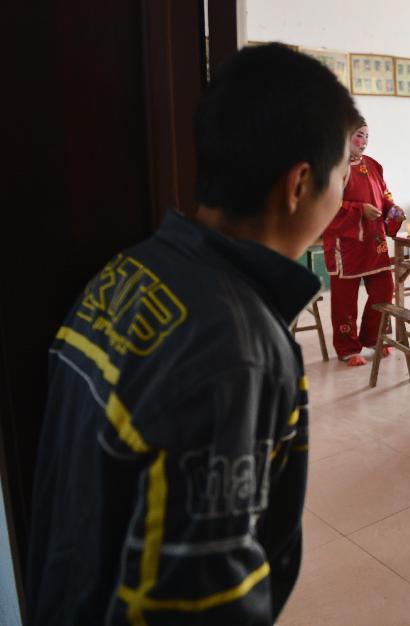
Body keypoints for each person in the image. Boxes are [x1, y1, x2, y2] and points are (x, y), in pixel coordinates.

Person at [25, 44, 359, 625]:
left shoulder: (130, 270)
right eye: (344, 169)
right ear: (299, 183)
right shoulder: (235, 353)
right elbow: (199, 603)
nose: (346, 186)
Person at [323, 118, 405, 366]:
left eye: (367, 136)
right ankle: (347, 347)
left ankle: (374, 338)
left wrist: (393, 210)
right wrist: (359, 210)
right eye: (359, 135)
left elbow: (385, 197)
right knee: (344, 301)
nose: (365, 141)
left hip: (374, 242)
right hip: (346, 247)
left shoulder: (374, 166)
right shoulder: (331, 169)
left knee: (384, 289)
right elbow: (325, 205)